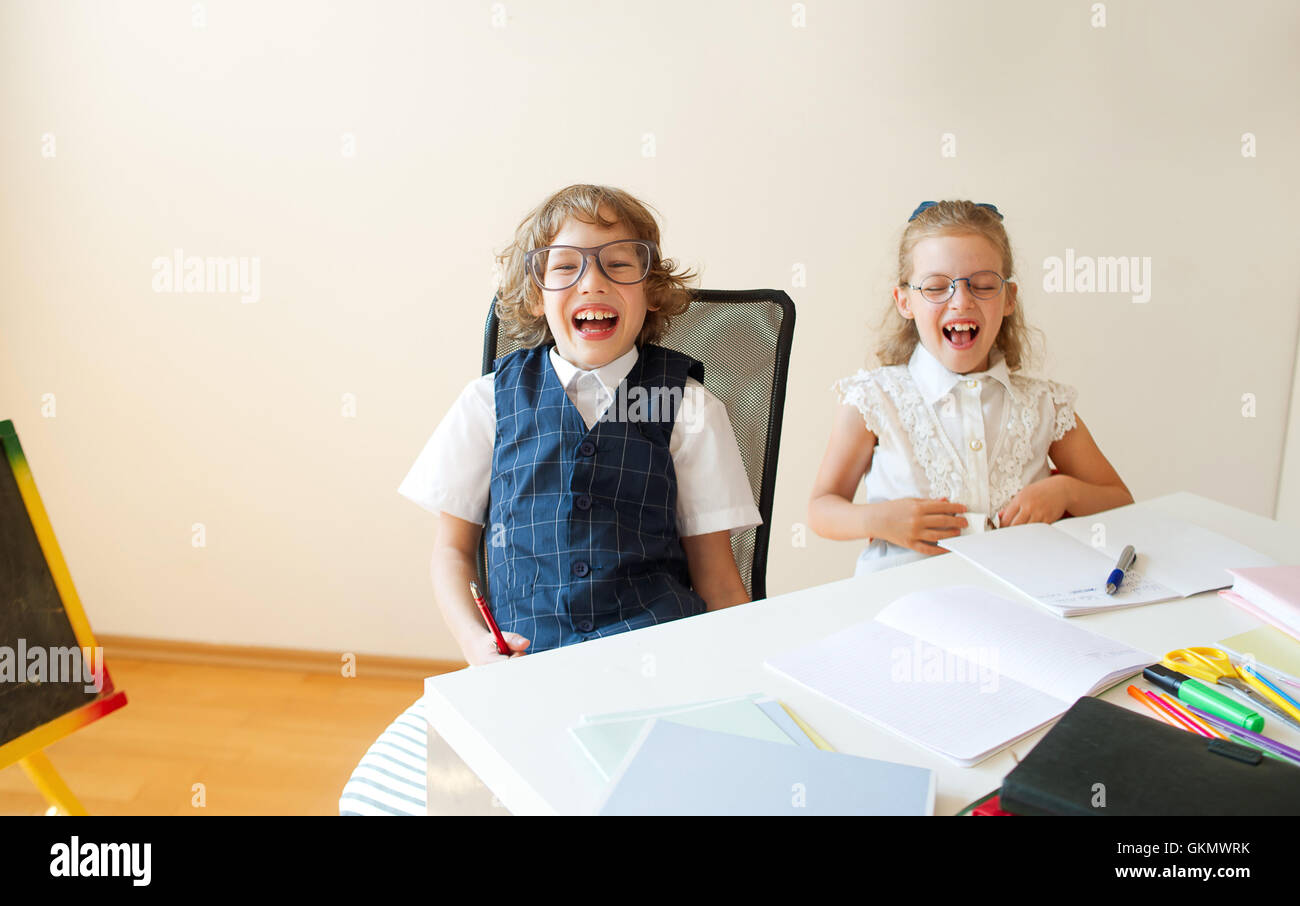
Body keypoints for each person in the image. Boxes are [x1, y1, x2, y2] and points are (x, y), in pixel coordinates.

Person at [399, 184, 760, 664]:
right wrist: (472, 641)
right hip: (529, 668)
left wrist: (741, 672)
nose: (592, 282)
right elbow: (451, 552)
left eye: (618, 264)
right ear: (534, 297)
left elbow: (717, 579)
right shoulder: (487, 403)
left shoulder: (690, 408)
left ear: (652, 293)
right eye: (566, 266)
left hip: (658, 661)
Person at [809, 200, 1132, 575]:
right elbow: (821, 508)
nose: (961, 302)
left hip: (1026, 598)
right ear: (904, 301)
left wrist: (1066, 493)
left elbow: (1121, 501)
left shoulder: (1046, 404)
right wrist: (878, 520)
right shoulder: (873, 398)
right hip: (906, 606)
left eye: (981, 285)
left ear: (1009, 298)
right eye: (936, 287)